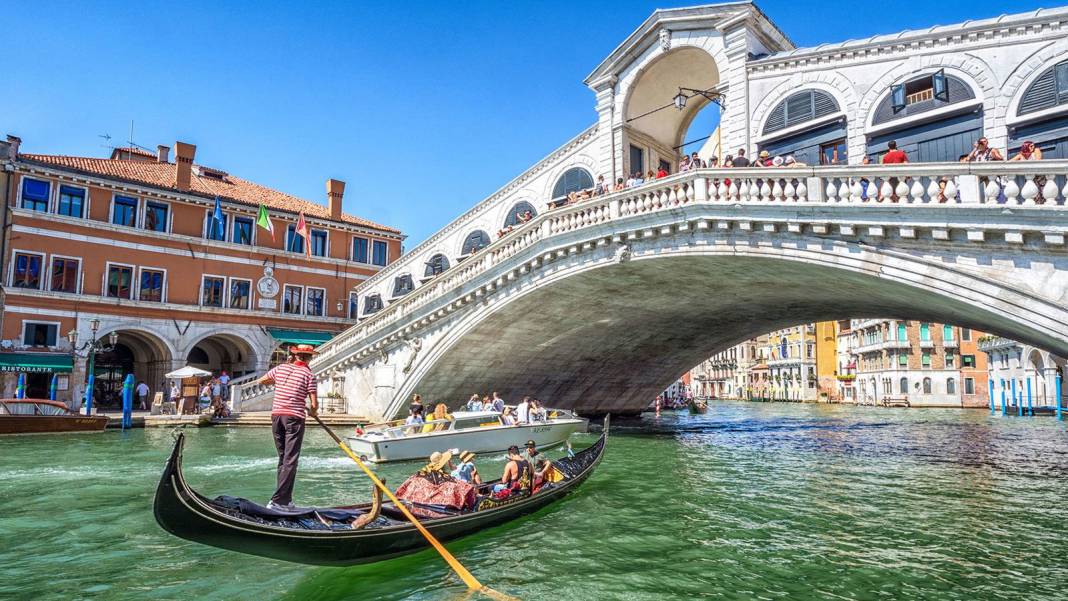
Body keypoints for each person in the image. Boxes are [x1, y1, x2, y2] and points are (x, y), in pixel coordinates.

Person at [256, 343, 318, 511]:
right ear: (309, 358)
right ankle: (279, 501)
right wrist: (313, 412)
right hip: (294, 418)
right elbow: (313, 403)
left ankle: (285, 500)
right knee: (290, 460)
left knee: (283, 459)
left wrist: (280, 384)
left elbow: (262, 381)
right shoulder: (308, 374)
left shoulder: (281, 369)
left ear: (295, 355)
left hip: (277, 416)